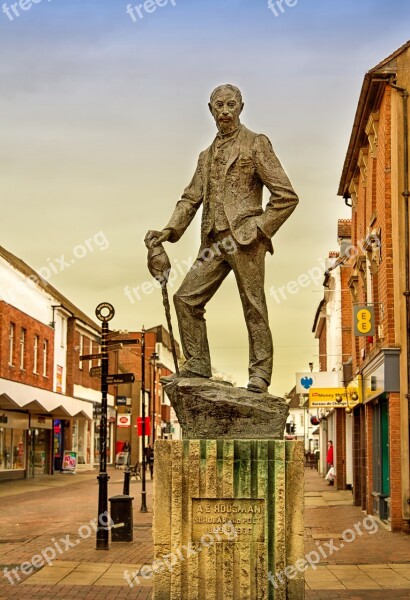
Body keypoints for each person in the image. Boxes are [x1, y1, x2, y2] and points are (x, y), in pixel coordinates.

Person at [145, 84, 298, 393]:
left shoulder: (256, 143)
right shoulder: (205, 156)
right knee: (185, 299)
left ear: (241, 107)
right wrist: (168, 231)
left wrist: (258, 228)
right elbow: (190, 199)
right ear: (210, 109)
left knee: (253, 306)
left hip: (245, 238)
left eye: (231, 104)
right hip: (213, 241)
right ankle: (198, 363)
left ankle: (260, 375)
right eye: (219, 105)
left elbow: (286, 196)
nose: (225, 110)